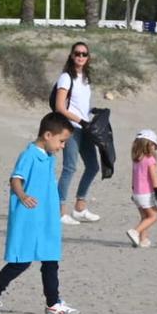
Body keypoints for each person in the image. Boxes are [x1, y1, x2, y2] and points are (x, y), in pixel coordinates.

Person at [0, 112, 80, 314]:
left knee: (51, 260)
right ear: (48, 135)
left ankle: (53, 303)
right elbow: (15, 179)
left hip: (47, 217)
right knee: (21, 261)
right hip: (29, 216)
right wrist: (23, 196)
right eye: (61, 141)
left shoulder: (48, 157)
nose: (62, 147)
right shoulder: (29, 155)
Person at [54, 42, 101, 225]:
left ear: (88, 57)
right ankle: (59, 211)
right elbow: (59, 107)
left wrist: (92, 116)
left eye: (84, 54)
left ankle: (80, 208)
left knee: (93, 166)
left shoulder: (86, 77)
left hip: (85, 128)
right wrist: (79, 120)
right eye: (77, 53)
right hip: (71, 128)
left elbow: (82, 105)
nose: (81, 56)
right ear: (72, 56)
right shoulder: (66, 77)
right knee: (70, 168)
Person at [127, 129, 157, 248]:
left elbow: (133, 177)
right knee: (153, 216)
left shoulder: (136, 159)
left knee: (145, 217)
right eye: (153, 145)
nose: (155, 147)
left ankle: (143, 240)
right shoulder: (150, 160)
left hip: (136, 193)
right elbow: (154, 177)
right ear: (148, 145)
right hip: (146, 194)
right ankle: (135, 232)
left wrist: (133, 190)